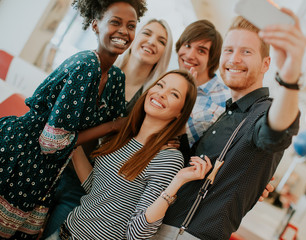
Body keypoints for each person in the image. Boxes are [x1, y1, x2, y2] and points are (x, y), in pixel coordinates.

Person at [152, 8, 306, 240]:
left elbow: (276, 130)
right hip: (162, 222)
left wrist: (290, 76)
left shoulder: (263, 111)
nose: (234, 59)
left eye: (246, 52)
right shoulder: (228, 112)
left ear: (266, 64)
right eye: (229, 50)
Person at [0, 0, 147, 239]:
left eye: (131, 26)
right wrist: (113, 125)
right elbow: (51, 142)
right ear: (96, 25)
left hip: (47, 172)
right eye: (115, 22)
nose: (124, 31)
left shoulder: (116, 78)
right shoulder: (86, 65)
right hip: (19, 155)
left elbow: (119, 131)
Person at [41, 17, 173, 239]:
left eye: (161, 40)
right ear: (133, 37)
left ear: (164, 53)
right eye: (147, 33)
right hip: (49, 165)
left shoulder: (151, 102)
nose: (152, 41)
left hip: (83, 184)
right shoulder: (98, 69)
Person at [46, 69, 212, 240]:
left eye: (174, 94)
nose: (161, 94)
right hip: (65, 231)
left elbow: (137, 233)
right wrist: (73, 141)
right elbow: (95, 189)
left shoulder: (169, 158)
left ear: (181, 113)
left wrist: (177, 182)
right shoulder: (125, 136)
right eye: (160, 85)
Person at [174, 19, 231, 147]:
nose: (189, 55)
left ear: (212, 59)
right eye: (187, 45)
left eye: (201, 51)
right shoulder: (169, 82)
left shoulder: (226, 100)